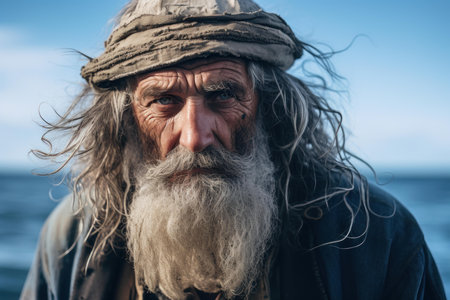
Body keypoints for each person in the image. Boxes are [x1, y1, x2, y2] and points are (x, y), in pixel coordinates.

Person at [21, 0, 446, 299]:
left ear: (269, 108)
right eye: (164, 101)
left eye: (223, 95)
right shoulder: (74, 236)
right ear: (127, 119)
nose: (194, 137)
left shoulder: (375, 234)